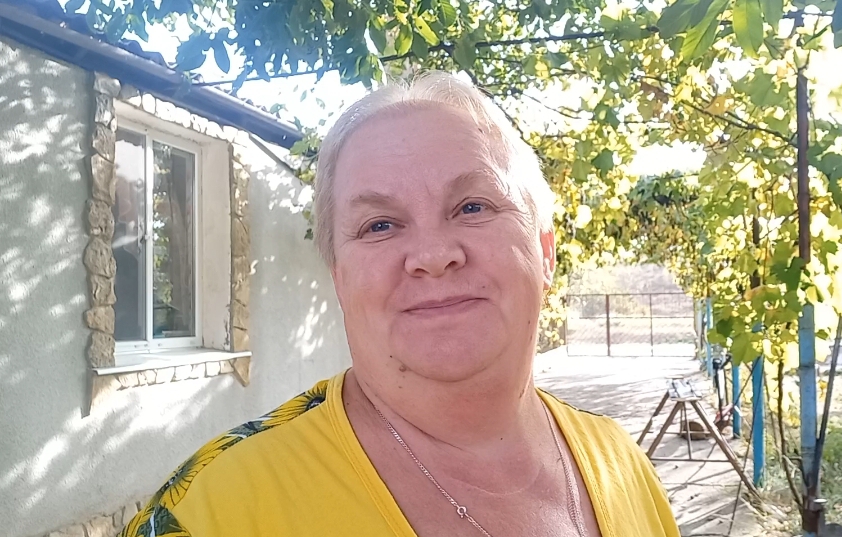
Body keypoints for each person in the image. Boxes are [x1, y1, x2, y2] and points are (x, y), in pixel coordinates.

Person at [122, 71, 680, 537]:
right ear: (340, 277)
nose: (433, 256)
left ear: (545, 251)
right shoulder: (213, 510)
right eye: (380, 225)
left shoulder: (622, 465)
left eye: (473, 206)